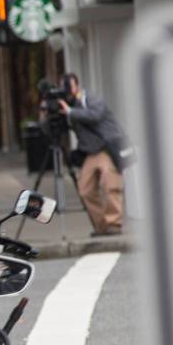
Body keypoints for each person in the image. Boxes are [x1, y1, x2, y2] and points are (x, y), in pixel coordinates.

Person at [55, 72, 125, 236]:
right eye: (63, 86)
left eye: (68, 86)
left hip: (106, 148)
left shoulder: (90, 98)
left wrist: (70, 111)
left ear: (77, 85)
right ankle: (101, 226)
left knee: (110, 186)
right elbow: (57, 128)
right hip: (90, 152)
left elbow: (95, 115)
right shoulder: (67, 105)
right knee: (85, 190)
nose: (66, 90)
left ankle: (114, 224)